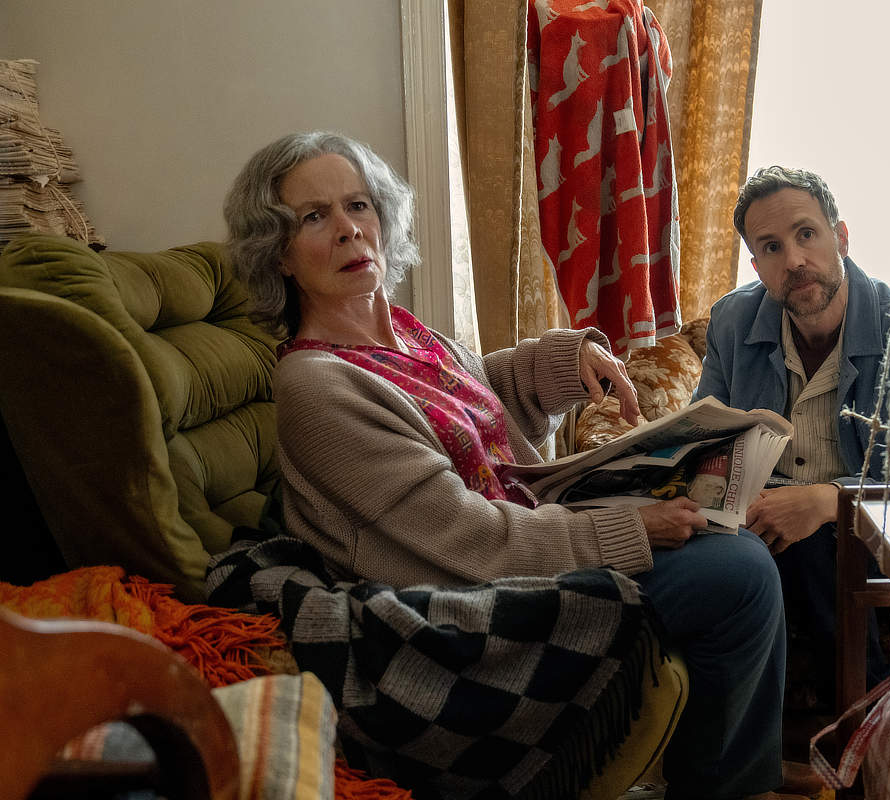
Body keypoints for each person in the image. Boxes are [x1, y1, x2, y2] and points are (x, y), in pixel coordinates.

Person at [223, 132, 810, 800]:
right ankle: (733, 783)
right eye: (314, 217)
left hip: (523, 527)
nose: (350, 230)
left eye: (359, 205)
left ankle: (731, 766)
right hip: (466, 591)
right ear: (279, 255)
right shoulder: (318, 386)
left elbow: (477, 393)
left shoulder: (408, 335)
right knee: (737, 572)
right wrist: (628, 530)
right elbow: (463, 538)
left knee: (727, 529)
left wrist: (563, 364)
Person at [693, 165, 890, 710]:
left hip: (861, 536)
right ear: (757, 266)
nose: (794, 260)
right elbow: (706, 443)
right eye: (772, 247)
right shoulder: (732, 321)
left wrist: (825, 501)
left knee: (819, 547)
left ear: (841, 236)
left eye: (806, 234)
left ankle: (861, 717)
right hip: (756, 519)